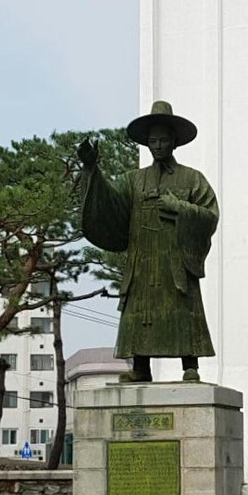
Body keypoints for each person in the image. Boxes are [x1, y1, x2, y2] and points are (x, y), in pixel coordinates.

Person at [78, 101, 217, 383]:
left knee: (182, 308)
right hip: (142, 259)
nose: (158, 145)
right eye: (153, 141)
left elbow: (210, 215)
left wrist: (179, 207)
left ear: (175, 142)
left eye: (164, 140)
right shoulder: (134, 180)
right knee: (140, 309)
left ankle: (190, 365)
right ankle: (141, 366)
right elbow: (112, 205)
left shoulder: (192, 179)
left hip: (175, 259)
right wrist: (92, 169)